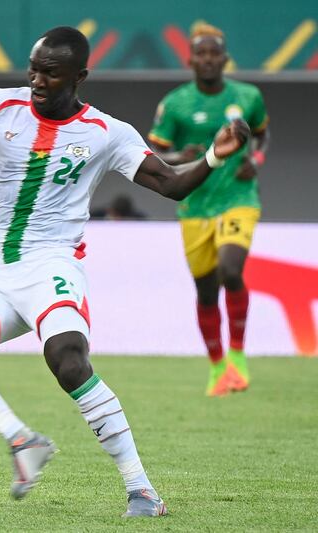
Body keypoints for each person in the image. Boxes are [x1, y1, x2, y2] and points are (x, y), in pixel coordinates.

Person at [0, 26, 249, 517]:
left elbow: (171, 185)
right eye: (33, 69)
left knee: (68, 360)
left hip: (53, 267)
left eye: (50, 73)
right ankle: (22, 440)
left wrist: (215, 155)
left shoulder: (107, 133)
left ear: (79, 77)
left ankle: (142, 489)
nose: (37, 81)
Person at [148, 23, 270, 397]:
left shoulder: (248, 96)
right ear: (190, 60)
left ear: (225, 58)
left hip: (238, 197)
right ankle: (218, 367)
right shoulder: (176, 104)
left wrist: (257, 158)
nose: (208, 59)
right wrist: (177, 157)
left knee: (231, 272)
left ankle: (237, 354)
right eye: (201, 53)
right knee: (205, 292)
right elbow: (153, 151)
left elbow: (261, 132)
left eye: (214, 53)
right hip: (195, 204)